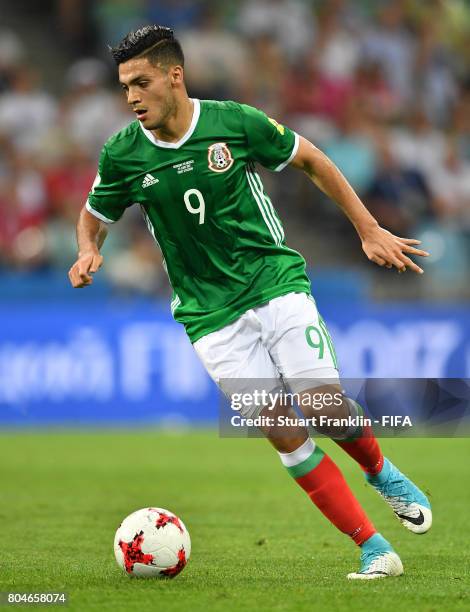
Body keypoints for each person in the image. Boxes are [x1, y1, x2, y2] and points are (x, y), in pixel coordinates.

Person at [68, 25, 432, 579]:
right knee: (284, 431)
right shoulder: (122, 153)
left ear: (174, 76)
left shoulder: (234, 122)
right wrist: (86, 250)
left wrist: (368, 228)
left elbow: (311, 159)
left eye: (141, 83)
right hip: (209, 316)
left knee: (323, 408)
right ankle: (373, 547)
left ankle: (381, 470)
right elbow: (95, 215)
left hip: (273, 283)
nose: (132, 98)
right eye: (124, 88)